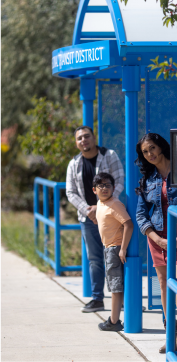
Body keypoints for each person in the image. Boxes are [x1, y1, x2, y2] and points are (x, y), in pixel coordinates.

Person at [135, 133, 177, 354]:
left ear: (161, 147)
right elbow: (141, 214)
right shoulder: (148, 179)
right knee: (163, 283)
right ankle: (171, 336)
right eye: (145, 152)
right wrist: (156, 238)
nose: (150, 154)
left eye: (152, 148)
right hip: (158, 237)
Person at [66, 125, 124, 313]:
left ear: (93, 137)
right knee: (95, 259)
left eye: (87, 136)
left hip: (111, 217)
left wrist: (99, 207)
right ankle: (97, 299)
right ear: (76, 143)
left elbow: (120, 180)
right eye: (79, 138)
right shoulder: (74, 164)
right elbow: (70, 192)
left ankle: (122, 301)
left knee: (117, 258)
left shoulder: (110, 155)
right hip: (88, 219)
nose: (84, 140)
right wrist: (88, 210)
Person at [93, 172, 133, 331]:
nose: (104, 188)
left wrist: (122, 249)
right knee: (114, 285)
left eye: (107, 185)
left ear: (114, 188)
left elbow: (128, 224)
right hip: (108, 247)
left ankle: (114, 321)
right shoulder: (102, 204)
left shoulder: (114, 203)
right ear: (94, 190)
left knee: (115, 287)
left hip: (115, 249)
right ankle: (117, 316)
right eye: (100, 186)